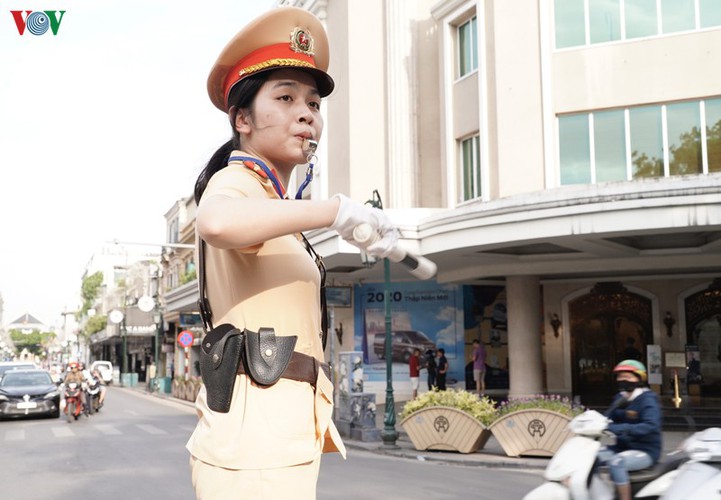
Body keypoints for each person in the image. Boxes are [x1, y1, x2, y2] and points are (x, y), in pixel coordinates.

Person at [185, 7, 399, 499]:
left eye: (313, 102)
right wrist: (335, 212)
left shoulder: (273, 201)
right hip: (254, 445)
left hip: (275, 436)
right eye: (285, 97)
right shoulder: (237, 180)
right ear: (242, 118)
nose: (307, 113)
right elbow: (215, 221)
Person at [599, 360, 662, 500]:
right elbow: (609, 416)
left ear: (639, 379)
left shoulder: (647, 400)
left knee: (617, 462)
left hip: (644, 450)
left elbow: (651, 425)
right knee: (591, 456)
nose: (622, 380)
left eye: (627, 377)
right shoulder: (620, 398)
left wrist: (621, 428)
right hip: (620, 447)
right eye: (619, 377)